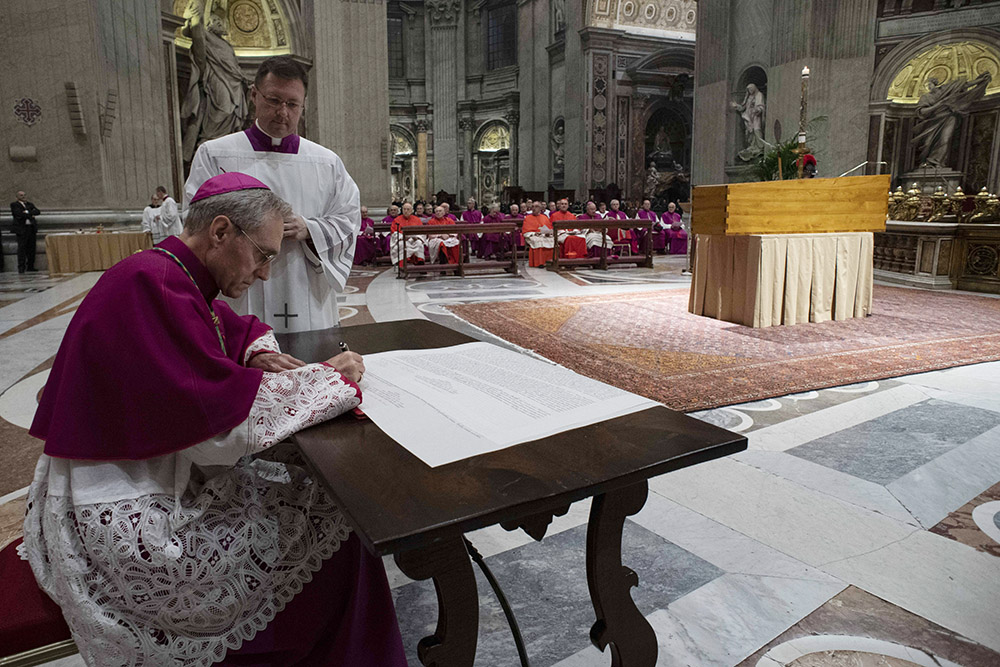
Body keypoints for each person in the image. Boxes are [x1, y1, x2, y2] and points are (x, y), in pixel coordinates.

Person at [22, 172, 406, 667]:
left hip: (132, 476)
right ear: (221, 232)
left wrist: (252, 351)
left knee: (314, 501)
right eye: (264, 255)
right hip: (120, 510)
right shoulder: (154, 284)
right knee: (335, 525)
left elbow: (221, 328)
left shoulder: (168, 272)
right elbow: (216, 430)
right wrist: (329, 379)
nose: (266, 274)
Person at [185, 56, 360, 334]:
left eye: (292, 104)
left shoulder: (326, 162)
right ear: (254, 95)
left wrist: (310, 229)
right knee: (245, 360)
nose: (283, 113)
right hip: (241, 292)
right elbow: (194, 224)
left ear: (303, 104)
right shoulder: (215, 153)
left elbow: (349, 220)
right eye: (274, 100)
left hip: (305, 287)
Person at [10, 190, 41, 273]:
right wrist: (30, 214)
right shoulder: (14, 204)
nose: (23, 196)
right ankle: (21, 267)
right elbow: (18, 214)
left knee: (31, 248)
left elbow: (37, 211)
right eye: (21, 195)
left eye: (24, 195)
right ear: (17, 197)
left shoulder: (29, 204)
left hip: (31, 228)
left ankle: (30, 266)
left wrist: (27, 212)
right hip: (21, 229)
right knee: (22, 248)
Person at [390, 201, 425, 266]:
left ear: (412, 210)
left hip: (414, 239)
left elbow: (421, 231)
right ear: (402, 210)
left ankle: (420, 262)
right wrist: (402, 237)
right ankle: (403, 265)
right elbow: (394, 233)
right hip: (402, 239)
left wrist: (417, 237)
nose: (406, 211)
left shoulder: (417, 219)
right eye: (404, 209)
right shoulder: (397, 220)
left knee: (419, 244)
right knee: (402, 245)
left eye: (408, 209)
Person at [522, 200, 555, 267]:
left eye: (536, 206)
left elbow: (549, 228)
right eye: (533, 206)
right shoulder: (527, 218)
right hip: (533, 235)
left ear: (540, 208)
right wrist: (534, 233)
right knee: (537, 241)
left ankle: (551, 261)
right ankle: (539, 263)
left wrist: (548, 233)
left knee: (552, 240)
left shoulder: (544, 217)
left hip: (544, 235)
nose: (534, 208)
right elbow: (525, 231)